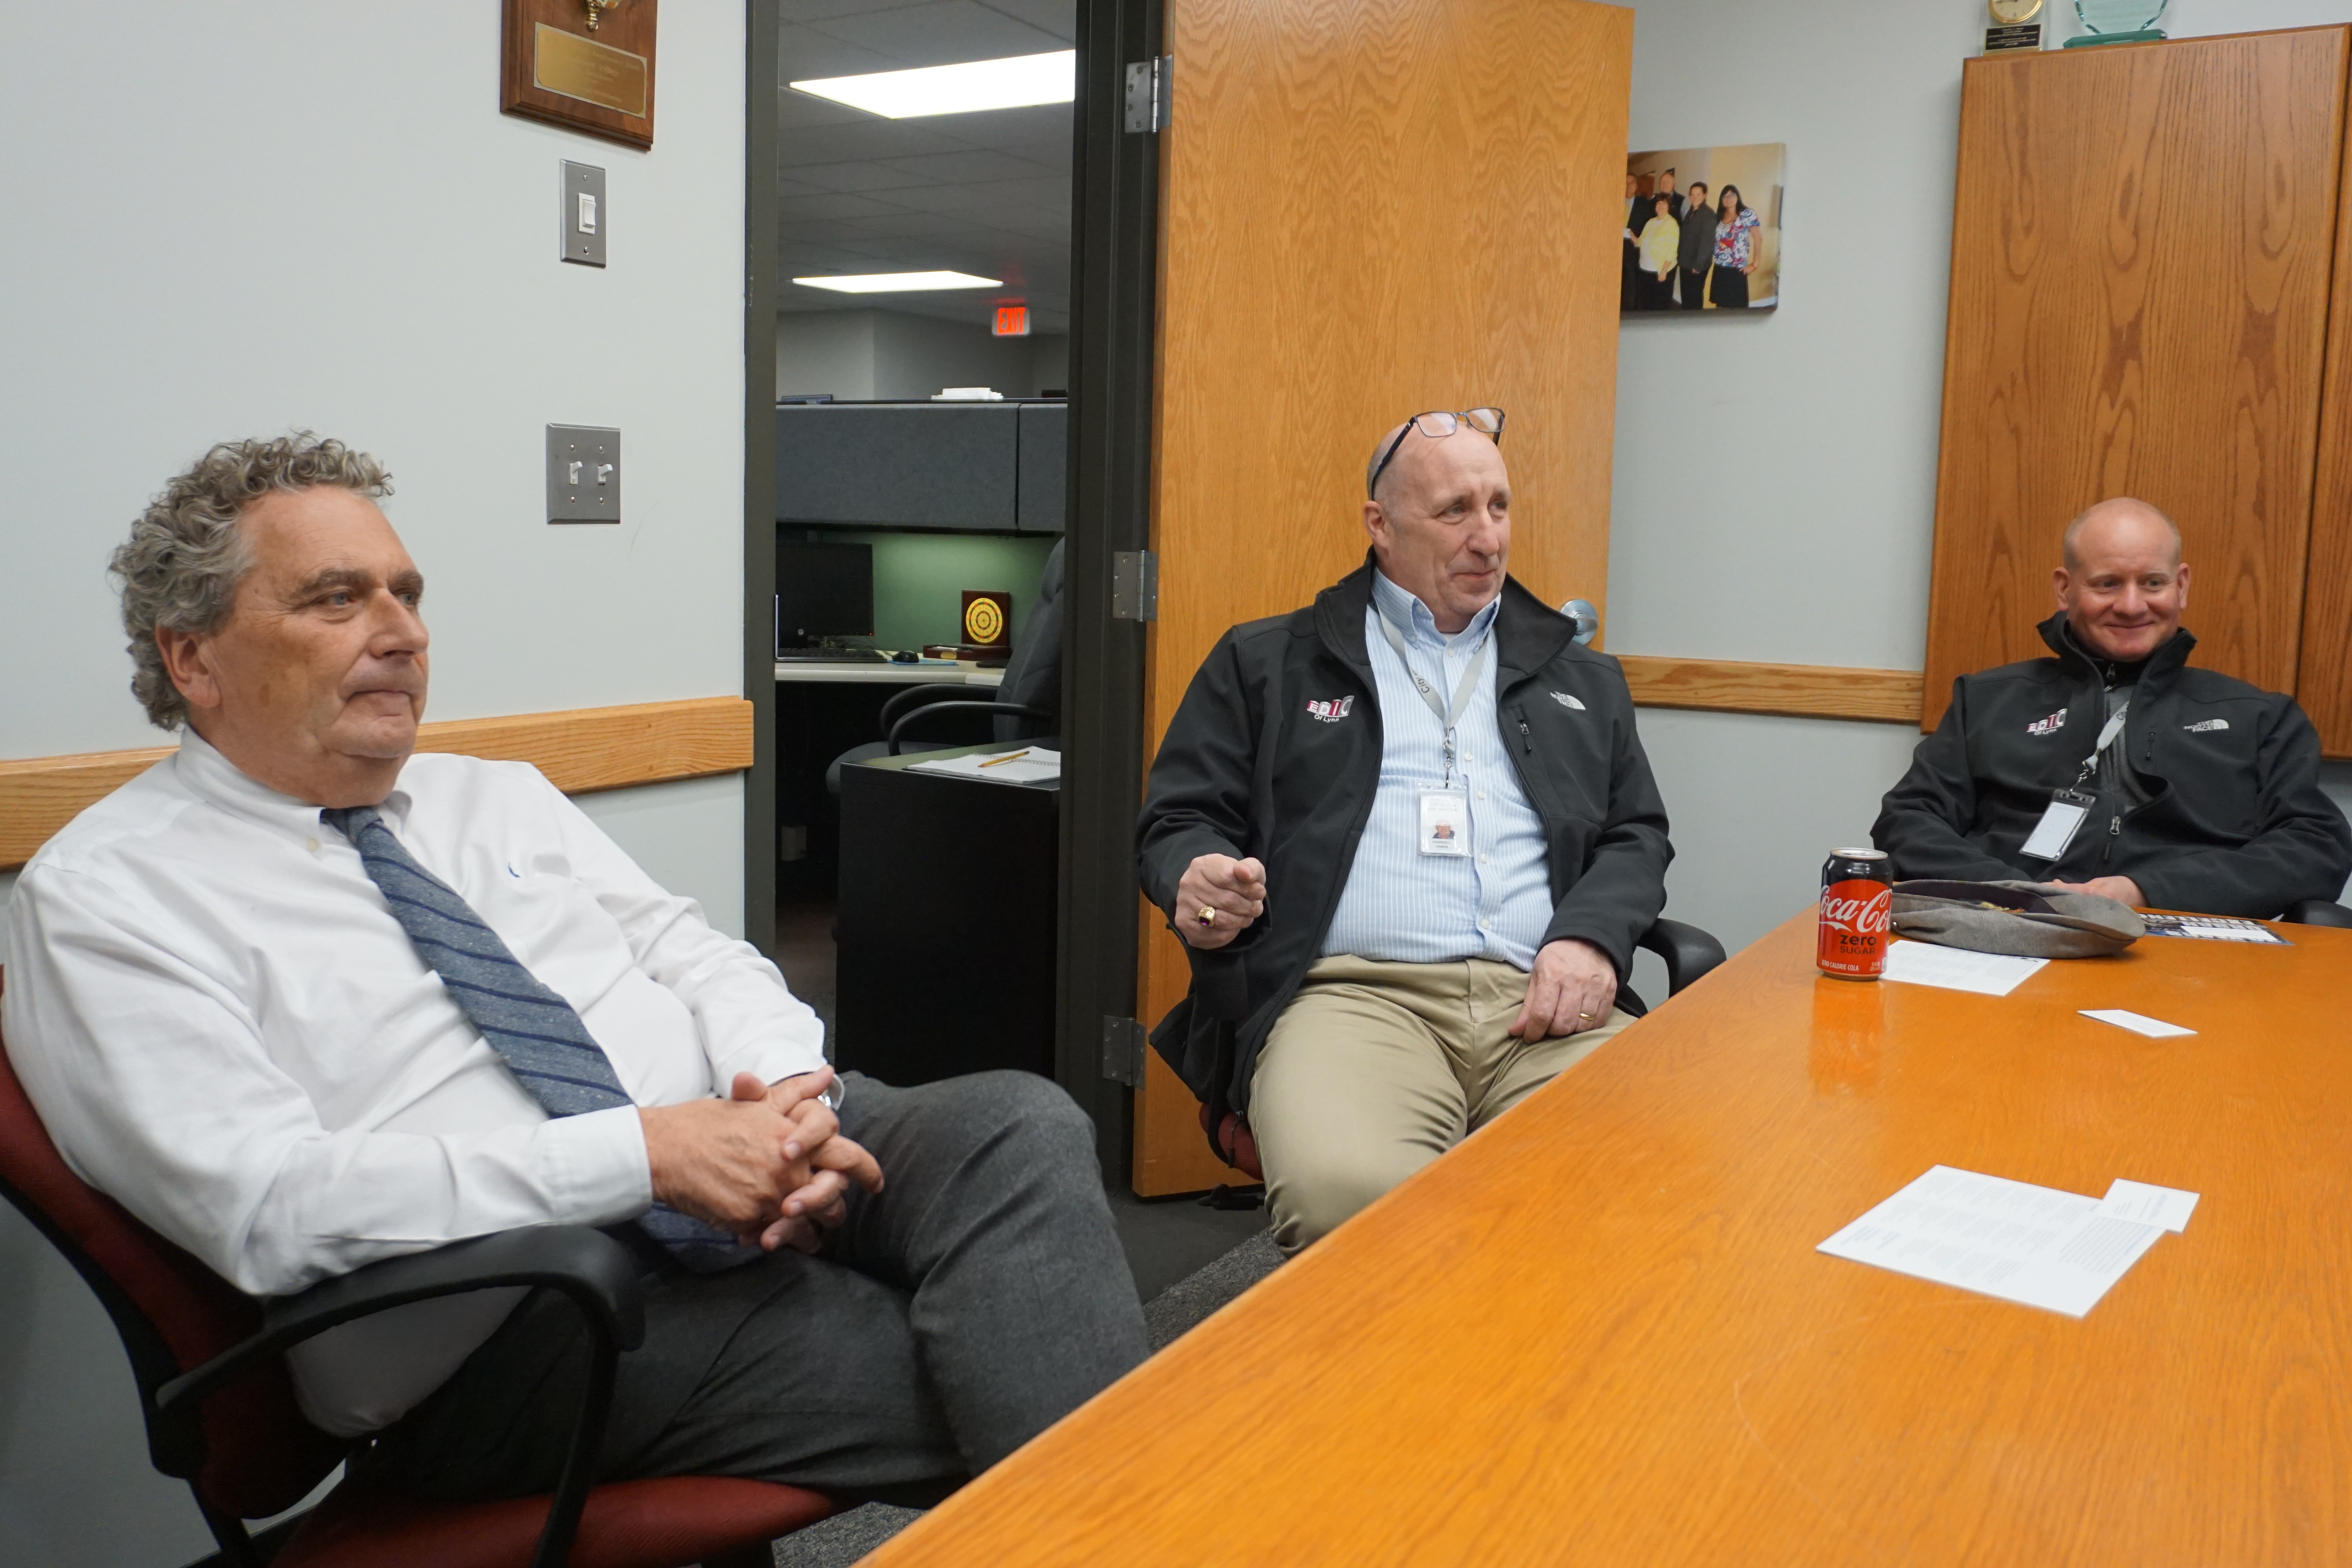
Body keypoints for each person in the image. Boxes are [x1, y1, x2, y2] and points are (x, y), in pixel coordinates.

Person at [3, 434, 1147, 1507]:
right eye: (337, 598)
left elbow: (694, 951)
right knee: (1021, 1368)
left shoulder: (491, 793)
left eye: (407, 594)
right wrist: (647, 1155)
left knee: (1014, 1125)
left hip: (728, 1134)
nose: (402, 633)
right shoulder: (109, 896)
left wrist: (783, 1094)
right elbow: (269, 1205)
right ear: (192, 657)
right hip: (507, 1318)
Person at [1137, 410, 1674, 1253]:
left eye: (1499, 506)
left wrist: (1592, 939)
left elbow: (1637, 834)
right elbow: (1178, 818)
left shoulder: (1580, 677)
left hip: (1544, 1000)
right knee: (1348, 1199)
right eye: (1455, 510)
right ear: (1380, 525)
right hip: (1352, 998)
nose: (1488, 538)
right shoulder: (1268, 661)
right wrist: (1194, 872)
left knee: (1645, 1176)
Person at [1873, 497, 2352, 916]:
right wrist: (2019, 893)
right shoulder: (1985, 700)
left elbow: (2317, 847)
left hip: (2186, 939)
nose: (2131, 605)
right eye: (2107, 584)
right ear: (2065, 589)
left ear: (2182, 585)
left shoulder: (2261, 717)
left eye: (2153, 583)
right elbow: (1907, 821)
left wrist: (2146, 891)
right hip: (2013, 925)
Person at [1710, 183, 1762, 309]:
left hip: (1737, 270)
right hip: (1720, 268)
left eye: (1732, 195)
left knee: (1737, 309)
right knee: (1720, 306)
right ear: (1722, 200)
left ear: (1737, 196)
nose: (1729, 198)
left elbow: (1758, 239)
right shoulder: (1719, 217)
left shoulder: (1747, 215)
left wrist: (1754, 265)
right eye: (1725, 196)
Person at [1677, 180, 1718, 310]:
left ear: (1705, 195)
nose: (1695, 198)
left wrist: (1698, 265)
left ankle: (1695, 321)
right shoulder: (1691, 212)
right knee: (1686, 297)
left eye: (1699, 194)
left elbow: (1707, 243)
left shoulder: (1709, 215)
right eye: (1692, 195)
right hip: (1686, 263)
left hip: (1697, 265)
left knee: (1694, 298)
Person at [1636, 194, 1681, 310]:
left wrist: (1664, 271)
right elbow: (1641, 242)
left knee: (1659, 305)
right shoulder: (1651, 222)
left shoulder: (1671, 224)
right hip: (1645, 268)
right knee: (1646, 302)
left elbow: (1672, 251)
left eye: (1664, 203)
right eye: (1659, 203)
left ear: (1669, 207)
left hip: (1659, 270)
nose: (1660, 206)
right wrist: (1630, 235)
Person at [1621, 174, 1643, 312]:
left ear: (1637, 186)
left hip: (1633, 248)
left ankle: (1629, 309)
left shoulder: (1644, 204)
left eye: (1632, 182)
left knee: (1631, 280)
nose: (1629, 186)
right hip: (1616, 248)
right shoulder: (1615, 201)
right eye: (1626, 182)